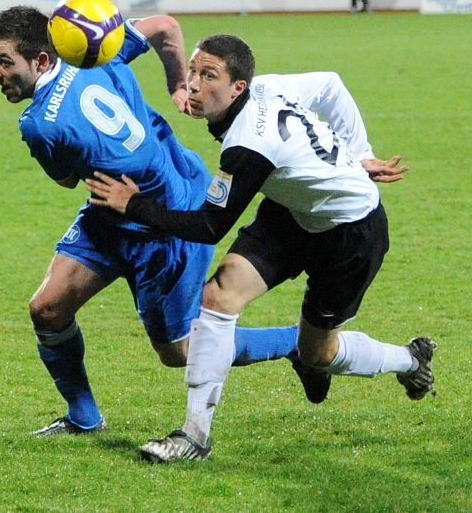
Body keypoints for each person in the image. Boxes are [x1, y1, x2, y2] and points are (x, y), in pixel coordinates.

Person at [86, 34, 436, 462]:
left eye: (208, 75)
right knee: (218, 296)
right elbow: (330, 84)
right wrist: (357, 153)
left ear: (238, 88)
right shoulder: (265, 87)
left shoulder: (248, 146)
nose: (193, 84)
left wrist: (133, 204)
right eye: (193, 71)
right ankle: (195, 436)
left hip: (350, 233)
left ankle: (409, 360)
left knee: (318, 353)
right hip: (290, 212)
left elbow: (208, 225)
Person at [0, 8, 306, 436]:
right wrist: (177, 83)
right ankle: (84, 417)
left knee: (179, 350)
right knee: (47, 308)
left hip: (166, 219)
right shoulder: (97, 54)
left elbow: (65, 180)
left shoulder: (40, 125)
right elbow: (167, 28)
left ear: (42, 60)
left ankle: (298, 344)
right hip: (112, 208)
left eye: (4, 62)